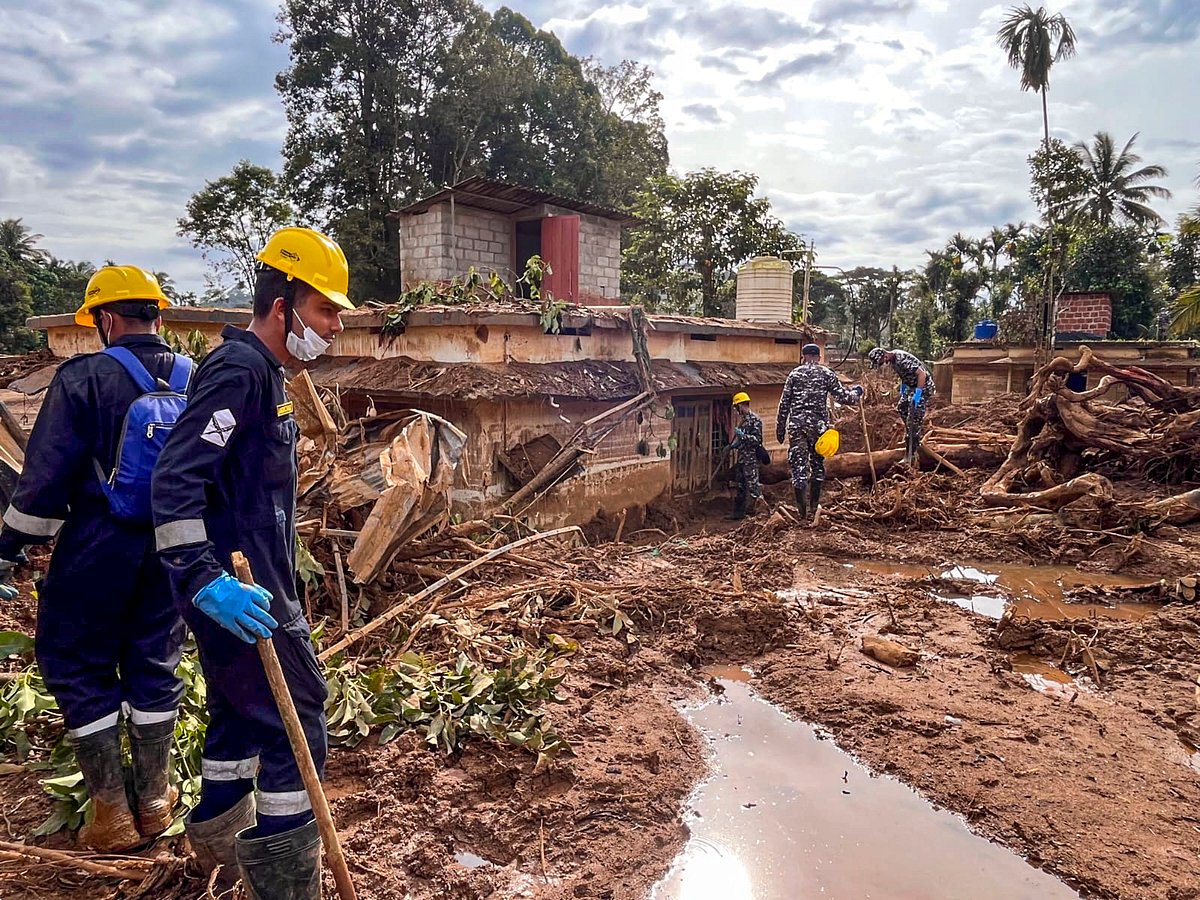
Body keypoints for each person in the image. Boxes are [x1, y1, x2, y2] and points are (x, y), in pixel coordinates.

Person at [152, 227, 353, 898]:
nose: (333, 328)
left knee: (240, 718)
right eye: (325, 311)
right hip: (238, 596)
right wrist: (206, 582)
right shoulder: (239, 374)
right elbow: (174, 482)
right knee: (300, 717)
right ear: (281, 305)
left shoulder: (268, 377)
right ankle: (285, 885)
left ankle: (219, 857)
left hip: (252, 589)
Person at [0, 266, 189, 851]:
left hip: (97, 549)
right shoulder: (196, 377)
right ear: (157, 314)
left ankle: (110, 812)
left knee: (78, 662)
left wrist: (10, 548)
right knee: (155, 660)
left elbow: (43, 484)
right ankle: (155, 800)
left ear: (106, 318)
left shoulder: (82, 378)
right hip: (174, 549)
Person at [776, 344, 863, 521]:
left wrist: (779, 428)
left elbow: (784, 403)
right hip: (818, 426)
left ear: (803, 356)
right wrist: (857, 392)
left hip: (797, 426)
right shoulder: (826, 373)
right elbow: (843, 397)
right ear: (819, 356)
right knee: (816, 465)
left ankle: (802, 513)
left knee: (798, 467)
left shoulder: (794, 374)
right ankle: (814, 506)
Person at [868, 347, 934, 465]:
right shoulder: (893, 361)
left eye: (881, 362)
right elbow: (905, 375)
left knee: (914, 417)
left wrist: (918, 394)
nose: (883, 365)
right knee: (902, 407)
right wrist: (904, 387)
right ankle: (912, 430)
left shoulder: (902, 360)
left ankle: (912, 452)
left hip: (923, 386)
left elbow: (921, 374)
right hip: (911, 386)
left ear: (885, 356)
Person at [727, 392, 764, 520]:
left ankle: (761, 514)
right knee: (741, 487)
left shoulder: (755, 420)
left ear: (741, 405)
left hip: (751, 459)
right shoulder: (743, 421)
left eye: (737, 407)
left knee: (754, 487)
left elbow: (757, 440)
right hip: (742, 458)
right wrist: (735, 445)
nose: (736, 411)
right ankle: (738, 514)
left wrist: (743, 436)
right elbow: (742, 441)